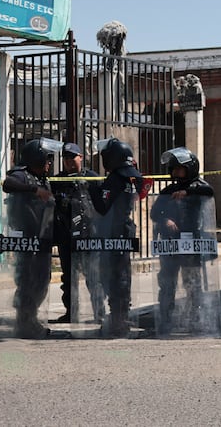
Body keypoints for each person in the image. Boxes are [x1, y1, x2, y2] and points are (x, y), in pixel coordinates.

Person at [150, 147, 214, 336]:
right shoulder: (169, 190)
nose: (176, 172)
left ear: (190, 168)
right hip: (170, 244)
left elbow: (208, 191)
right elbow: (155, 213)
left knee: (193, 283)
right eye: (173, 169)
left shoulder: (199, 187)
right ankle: (166, 320)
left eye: (179, 168)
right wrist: (165, 220)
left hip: (191, 243)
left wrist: (188, 192)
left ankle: (196, 319)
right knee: (167, 283)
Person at [1, 138, 57, 338]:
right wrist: (34, 190)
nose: (49, 164)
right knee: (27, 281)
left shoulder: (41, 177)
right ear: (37, 157)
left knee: (42, 281)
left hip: (41, 239)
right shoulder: (22, 175)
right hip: (27, 241)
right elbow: (8, 184)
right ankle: (24, 322)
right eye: (47, 159)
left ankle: (30, 319)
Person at [51, 142, 105, 325]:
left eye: (71, 158)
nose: (68, 162)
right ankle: (71, 313)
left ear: (81, 157)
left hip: (88, 235)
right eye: (65, 159)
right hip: (66, 236)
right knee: (69, 277)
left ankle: (100, 312)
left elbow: (102, 205)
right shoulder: (57, 181)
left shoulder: (92, 178)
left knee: (93, 276)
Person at [95, 137, 142, 337]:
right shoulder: (131, 178)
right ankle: (122, 316)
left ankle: (118, 319)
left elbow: (102, 207)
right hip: (124, 231)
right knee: (123, 276)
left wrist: (91, 190)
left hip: (113, 234)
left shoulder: (115, 179)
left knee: (113, 277)